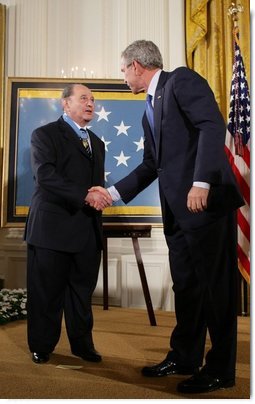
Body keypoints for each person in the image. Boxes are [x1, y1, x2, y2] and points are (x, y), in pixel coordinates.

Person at [90, 40, 244, 394]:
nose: (123, 77)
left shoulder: (181, 81)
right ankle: (185, 356)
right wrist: (111, 194)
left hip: (205, 205)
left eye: (123, 70)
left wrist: (201, 181)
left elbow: (210, 125)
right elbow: (151, 165)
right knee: (187, 287)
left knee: (215, 289)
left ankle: (220, 369)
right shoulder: (149, 107)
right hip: (177, 213)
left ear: (136, 65)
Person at [24, 83, 112, 365]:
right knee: (46, 295)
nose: (90, 103)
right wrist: (86, 195)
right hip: (51, 231)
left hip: (86, 232)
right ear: (65, 103)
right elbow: (45, 176)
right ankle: (42, 345)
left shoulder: (97, 143)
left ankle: (82, 345)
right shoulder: (45, 135)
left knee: (81, 295)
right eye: (84, 98)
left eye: (93, 99)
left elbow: (96, 184)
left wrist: (101, 194)